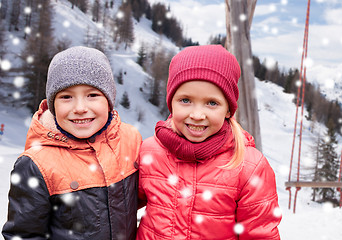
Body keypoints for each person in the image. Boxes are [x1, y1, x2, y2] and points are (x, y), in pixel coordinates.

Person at [136, 45, 281, 239]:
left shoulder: (249, 166)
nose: (197, 115)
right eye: (185, 100)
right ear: (171, 103)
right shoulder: (149, 152)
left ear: (228, 110)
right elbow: (118, 206)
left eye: (212, 103)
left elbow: (260, 234)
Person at [2, 46, 142, 240]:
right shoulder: (36, 164)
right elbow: (23, 234)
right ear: (53, 105)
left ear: (109, 101)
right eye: (66, 97)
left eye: (92, 95)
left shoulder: (130, 139)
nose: (80, 108)